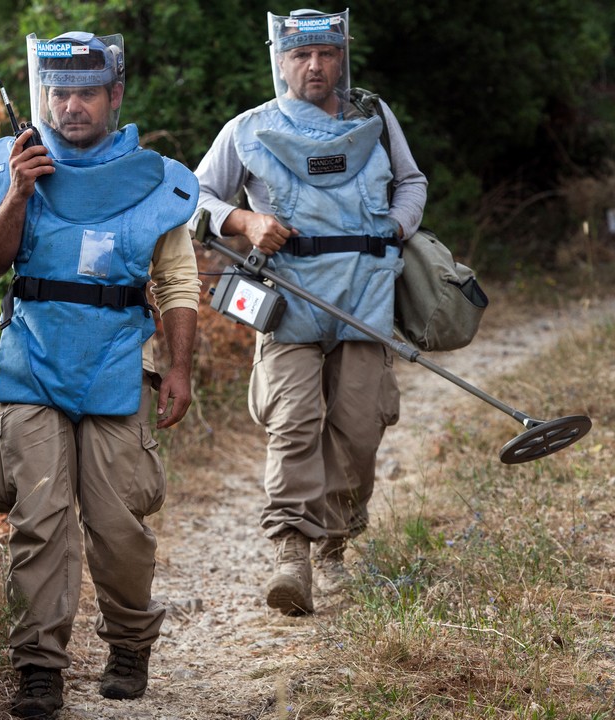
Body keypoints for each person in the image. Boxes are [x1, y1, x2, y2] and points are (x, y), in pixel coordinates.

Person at [0, 30, 201, 718]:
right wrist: (17, 193)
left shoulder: (154, 180)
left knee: (118, 522)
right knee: (39, 520)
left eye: (86, 92)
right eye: (59, 92)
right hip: (33, 364)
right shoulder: (18, 164)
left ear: (114, 96)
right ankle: (38, 669)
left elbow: (178, 280)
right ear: (43, 96)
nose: (71, 106)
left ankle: (129, 643)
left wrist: (179, 368)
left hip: (117, 364)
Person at [193, 8, 427, 615]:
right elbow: (193, 195)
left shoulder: (374, 117)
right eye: (301, 56)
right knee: (294, 420)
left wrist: (397, 228)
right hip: (287, 298)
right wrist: (245, 221)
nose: (315, 66)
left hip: (365, 295)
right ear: (280, 59)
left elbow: (412, 182)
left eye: (326, 54)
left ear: (342, 54)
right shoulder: (247, 129)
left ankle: (335, 550)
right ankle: (292, 554)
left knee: (359, 426)